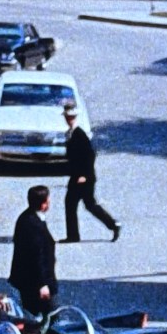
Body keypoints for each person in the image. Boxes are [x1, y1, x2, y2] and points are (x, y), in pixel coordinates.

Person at [60, 100, 120, 243]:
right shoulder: (70, 133)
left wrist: (84, 175)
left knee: (74, 203)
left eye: (71, 117)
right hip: (78, 175)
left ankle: (74, 235)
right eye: (67, 117)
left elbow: (89, 155)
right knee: (87, 204)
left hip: (83, 177)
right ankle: (113, 225)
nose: (69, 120)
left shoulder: (79, 134)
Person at [9, 185, 58, 317]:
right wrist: (42, 284)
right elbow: (37, 257)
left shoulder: (28, 218)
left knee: (39, 315)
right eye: (48, 200)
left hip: (29, 281)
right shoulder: (32, 224)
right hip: (34, 283)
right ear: (43, 204)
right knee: (51, 316)